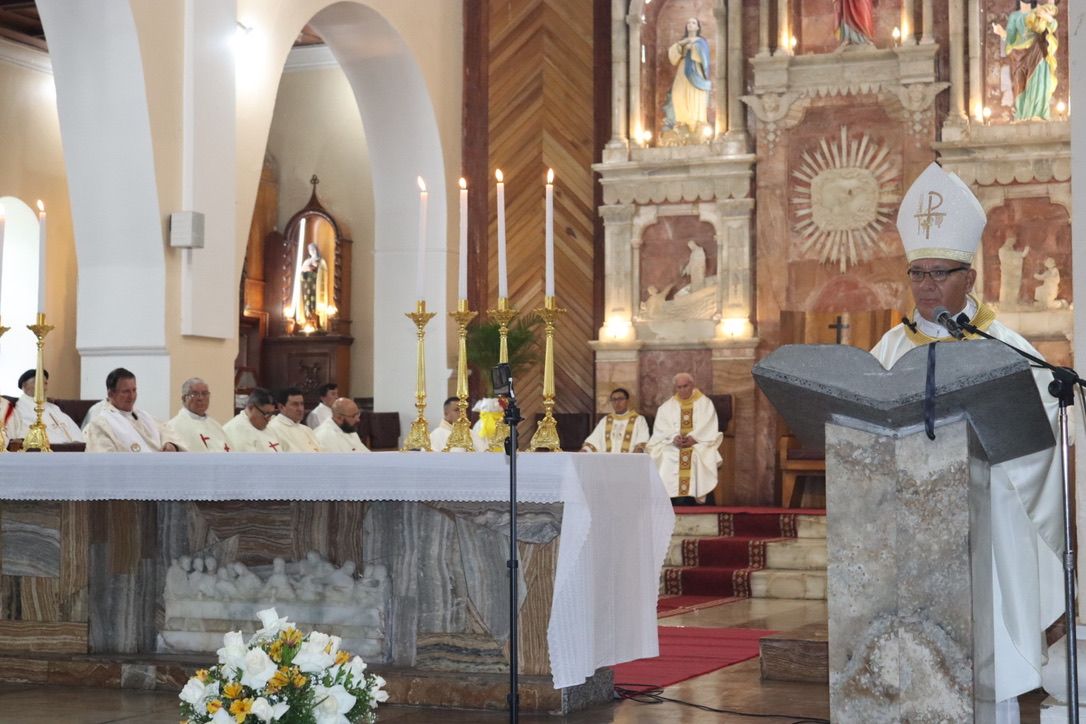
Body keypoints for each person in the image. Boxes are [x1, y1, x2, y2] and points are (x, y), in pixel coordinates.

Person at [870, 161, 1062, 723]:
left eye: (940, 273)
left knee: (986, 660)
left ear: (969, 278)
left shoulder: (1006, 345)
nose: (927, 286)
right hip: (911, 525)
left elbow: (1041, 429)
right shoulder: (888, 350)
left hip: (986, 518)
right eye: (918, 274)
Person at [647, 373, 722, 504]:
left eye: (685, 386)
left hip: (698, 443)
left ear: (692, 385)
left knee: (698, 456)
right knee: (666, 455)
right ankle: (671, 501)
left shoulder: (705, 403)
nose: (682, 390)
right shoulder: (666, 407)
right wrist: (674, 438)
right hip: (673, 445)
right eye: (679, 387)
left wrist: (694, 438)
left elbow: (708, 425)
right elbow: (661, 429)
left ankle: (695, 498)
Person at [992, 1, 1059, 121]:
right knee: (1020, 85)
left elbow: (1052, 26)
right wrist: (1001, 32)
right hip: (1020, 56)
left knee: (1039, 83)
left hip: (1038, 52)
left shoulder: (1038, 11)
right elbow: (1011, 37)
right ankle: (1023, 115)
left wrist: (1047, 17)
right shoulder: (1014, 16)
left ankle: (1038, 114)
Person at [84, 368, 175, 452]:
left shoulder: (144, 416)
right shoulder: (100, 424)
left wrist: (169, 444)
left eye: (134, 390)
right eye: (126, 391)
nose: (132, 396)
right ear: (111, 394)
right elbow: (105, 459)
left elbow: (166, 431)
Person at [7, 369, 83, 444]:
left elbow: (74, 430)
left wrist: (78, 444)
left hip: (72, 451)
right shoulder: (18, 409)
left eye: (45, 383)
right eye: (38, 382)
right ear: (24, 386)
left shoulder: (54, 408)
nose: (44, 387)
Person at [663, 17, 711, 133]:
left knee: (694, 95)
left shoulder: (701, 42)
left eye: (693, 23)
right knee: (678, 94)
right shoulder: (682, 41)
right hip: (683, 69)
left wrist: (694, 48)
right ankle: (681, 123)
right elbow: (673, 56)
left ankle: (696, 126)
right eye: (688, 22)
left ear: (698, 27)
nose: (690, 24)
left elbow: (704, 58)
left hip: (695, 71)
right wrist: (681, 45)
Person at [162, 377, 229, 453]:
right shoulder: (173, 426)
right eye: (195, 394)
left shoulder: (215, 425)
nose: (201, 398)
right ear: (184, 398)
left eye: (205, 394)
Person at [582, 388, 650, 453]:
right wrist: (585, 450)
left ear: (627, 400)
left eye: (620, 399)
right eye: (614, 399)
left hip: (629, 461)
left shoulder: (639, 420)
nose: (617, 402)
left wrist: (639, 450)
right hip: (607, 461)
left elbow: (642, 439)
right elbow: (594, 440)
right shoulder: (606, 420)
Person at [223, 388, 283, 453]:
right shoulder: (236, 430)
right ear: (251, 408)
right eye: (266, 414)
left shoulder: (267, 427)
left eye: (271, 414)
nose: (268, 419)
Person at [267, 386, 322, 452]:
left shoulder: (307, 430)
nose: (300, 409)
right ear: (281, 407)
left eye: (302, 404)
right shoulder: (272, 429)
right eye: (295, 404)